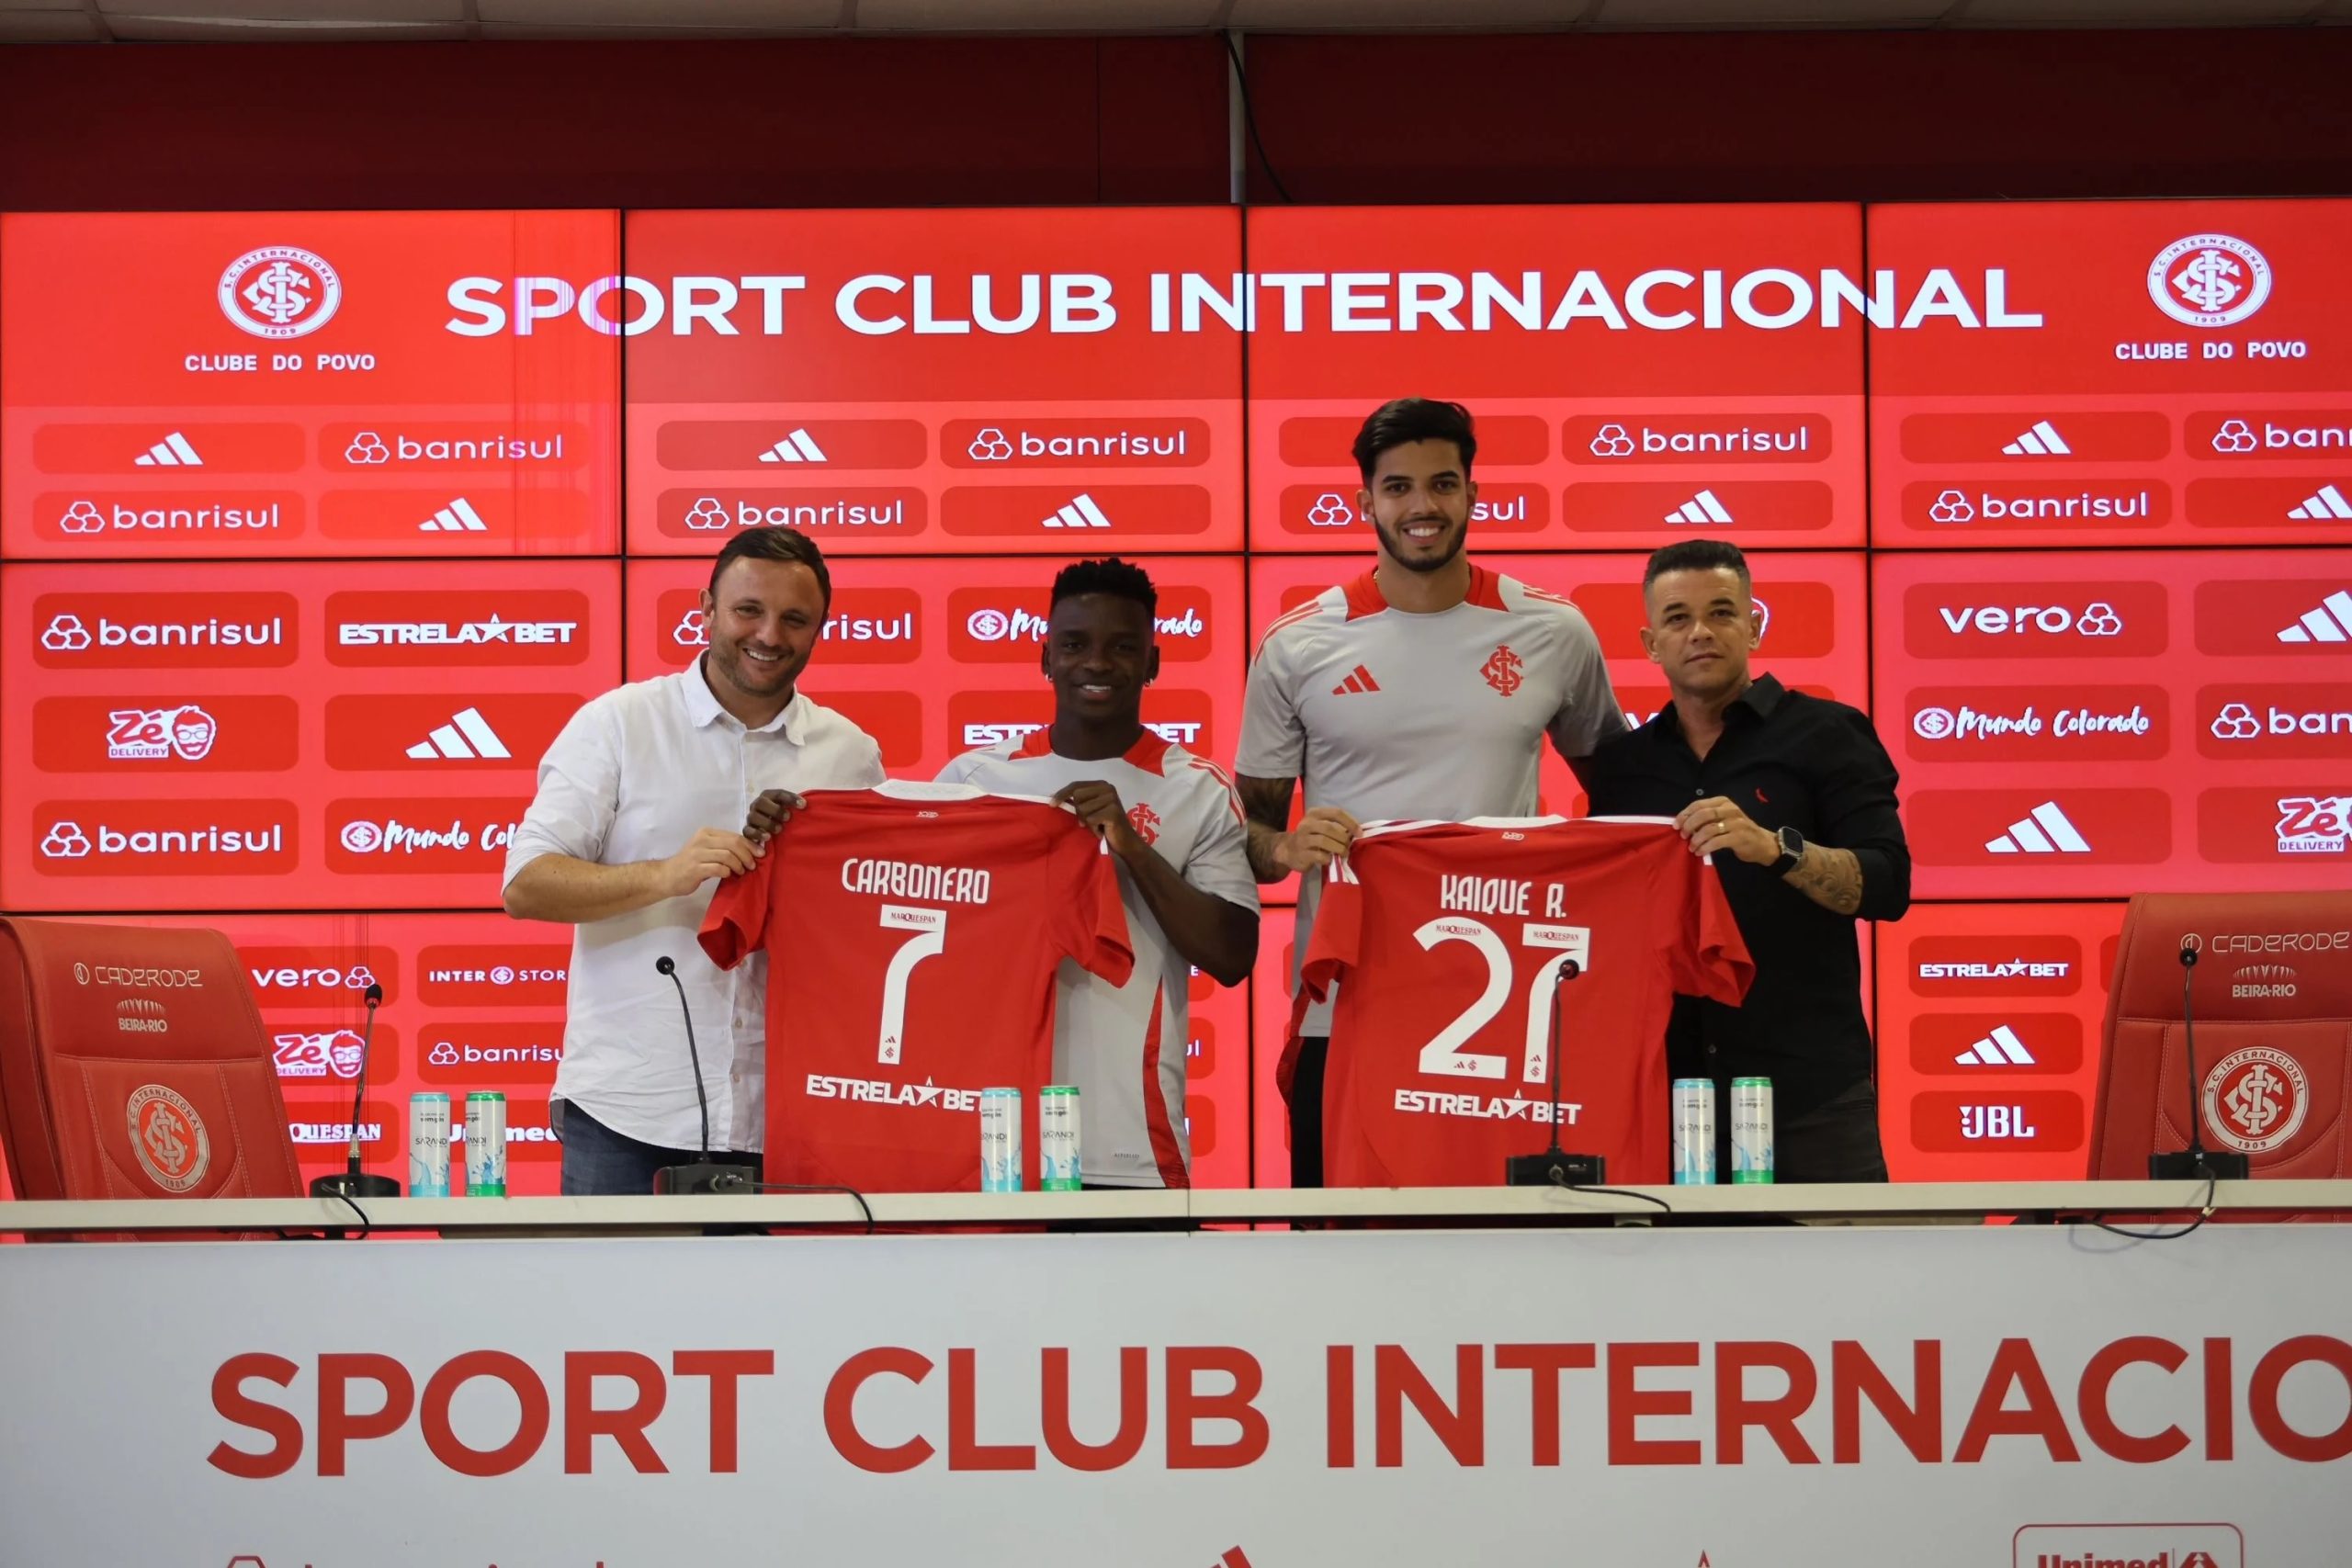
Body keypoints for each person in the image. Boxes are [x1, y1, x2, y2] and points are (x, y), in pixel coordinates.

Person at [753, 558, 1259, 1189]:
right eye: (1074, 645)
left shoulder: (1197, 790)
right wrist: (794, 834)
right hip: (987, 1135)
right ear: (1046, 658)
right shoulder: (975, 781)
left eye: (1123, 647)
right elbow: (881, 908)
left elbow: (1234, 955)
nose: (1097, 664)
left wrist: (1130, 846)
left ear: (1153, 662)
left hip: (1127, 1140)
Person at [1233, 397, 1627, 1186]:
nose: (1422, 507)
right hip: (1347, 1006)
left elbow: (1623, 801)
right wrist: (1284, 844)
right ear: (1366, 502)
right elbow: (1252, 842)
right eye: (1399, 487)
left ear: (1473, 495)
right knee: (1345, 1263)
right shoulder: (1299, 645)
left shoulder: (1553, 630)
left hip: (1512, 1010)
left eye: (1443, 485)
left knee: (1519, 1266)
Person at [503, 530, 885, 1196]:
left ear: (822, 628)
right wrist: (667, 874)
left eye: (794, 619)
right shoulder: (619, 723)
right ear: (705, 608)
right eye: (747, 610)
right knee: (612, 1305)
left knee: (790, 1306)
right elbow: (527, 884)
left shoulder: (850, 753)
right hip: (630, 1107)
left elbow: (872, 921)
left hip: (793, 1112)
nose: (768, 633)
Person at [1578, 537, 1910, 1182]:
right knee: (1676, 1283)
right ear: (1650, 644)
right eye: (1677, 618)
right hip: (1668, 1094)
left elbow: (1888, 884)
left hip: (1810, 1089)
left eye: (1722, 611)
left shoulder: (1828, 733)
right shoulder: (1624, 768)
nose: (1700, 631)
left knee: (1849, 1282)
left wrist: (1776, 847)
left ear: (1754, 624)